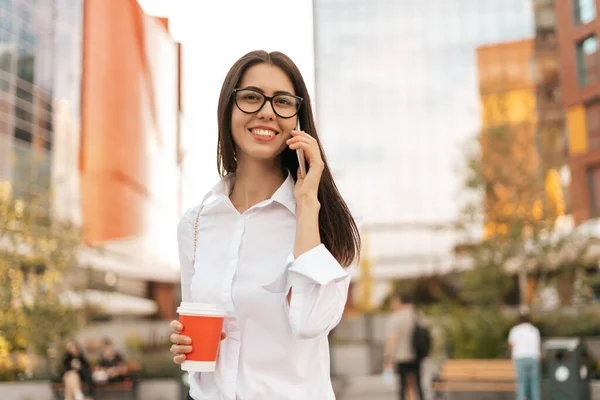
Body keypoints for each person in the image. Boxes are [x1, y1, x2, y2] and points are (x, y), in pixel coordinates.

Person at [169, 50, 361, 400]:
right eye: (251, 97)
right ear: (228, 109)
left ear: (297, 120)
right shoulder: (195, 225)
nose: (267, 111)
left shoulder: (323, 220)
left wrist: (306, 205)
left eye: (283, 101)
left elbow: (311, 322)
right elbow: (195, 320)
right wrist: (184, 343)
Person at [384, 294, 424, 400]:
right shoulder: (416, 315)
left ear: (398, 302)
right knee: (417, 384)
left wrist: (388, 356)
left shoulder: (395, 318)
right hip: (416, 354)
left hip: (401, 356)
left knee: (403, 385)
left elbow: (391, 339)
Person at [508, 313, 541, 400]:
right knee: (534, 382)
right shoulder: (534, 330)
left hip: (520, 357)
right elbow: (537, 345)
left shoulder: (515, 330)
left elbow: (511, 345)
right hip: (533, 357)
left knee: (521, 381)